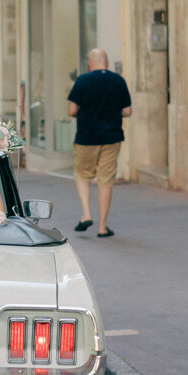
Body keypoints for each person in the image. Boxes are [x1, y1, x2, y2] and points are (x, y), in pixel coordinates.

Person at [67, 48, 132, 238]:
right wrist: (111, 112)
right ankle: (103, 227)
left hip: (86, 138)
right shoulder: (118, 80)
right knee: (105, 180)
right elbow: (127, 111)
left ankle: (86, 214)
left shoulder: (82, 81)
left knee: (82, 175)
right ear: (107, 63)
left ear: (90, 63)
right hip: (111, 138)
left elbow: (71, 110)